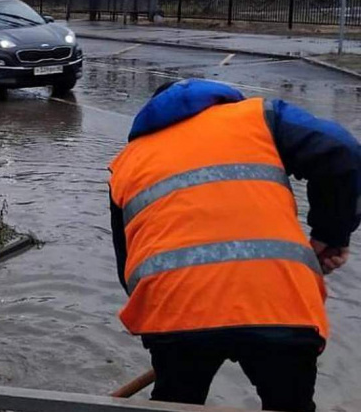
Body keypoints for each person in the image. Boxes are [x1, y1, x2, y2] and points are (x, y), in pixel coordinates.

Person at [108, 79, 361, 411]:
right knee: (291, 404)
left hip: (175, 312)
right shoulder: (258, 116)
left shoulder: (126, 162)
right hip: (280, 306)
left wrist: (177, 334)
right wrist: (330, 235)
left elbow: (129, 268)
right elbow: (343, 153)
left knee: (175, 401)